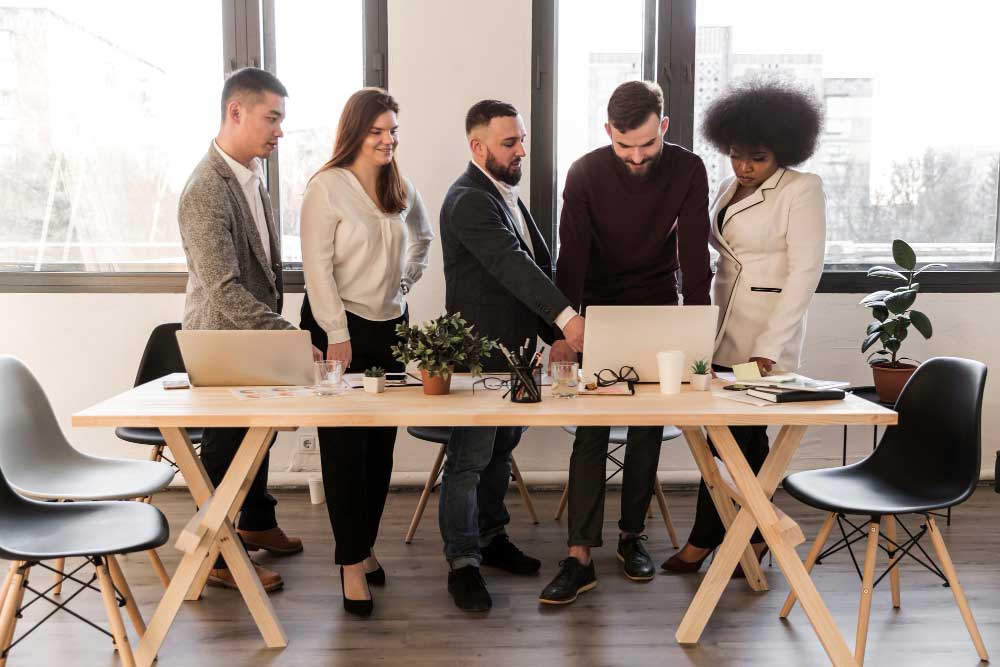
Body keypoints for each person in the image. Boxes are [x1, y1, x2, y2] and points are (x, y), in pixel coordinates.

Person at [539, 80, 713, 605]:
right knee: (591, 432)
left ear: (663, 127)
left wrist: (698, 332)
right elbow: (571, 258)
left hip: (658, 305)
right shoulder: (585, 172)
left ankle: (631, 537)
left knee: (645, 428)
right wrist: (563, 331)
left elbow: (695, 256)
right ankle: (579, 555)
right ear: (607, 132)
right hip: (597, 311)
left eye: (646, 145)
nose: (636, 157)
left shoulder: (688, 169)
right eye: (623, 146)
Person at [662, 79, 826, 574]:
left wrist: (770, 348)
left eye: (756, 157)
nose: (744, 167)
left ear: (783, 150)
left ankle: (713, 540)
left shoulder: (802, 190)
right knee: (729, 439)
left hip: (763, 341)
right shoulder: (730, 187)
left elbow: (804, 274)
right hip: (722, 330)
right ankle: (745, 539)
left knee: (740, 437)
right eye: (735, 155)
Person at [438, 100, 586, 612]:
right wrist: (568, 320)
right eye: (509, 142)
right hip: (481, 358)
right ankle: (462, 563)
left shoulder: (505, 195)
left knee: (501, 452)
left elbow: (535, 270)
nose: (521, 149)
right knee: (468, 461)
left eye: (522, 139)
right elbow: (510, 265)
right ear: (477, 147)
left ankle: (491, 538)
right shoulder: (468, 200)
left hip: (518, 356)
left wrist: (557, 335)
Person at [178, 67, 319, 593]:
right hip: (221, 341)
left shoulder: (249, 177)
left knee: (256, 429)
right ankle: (219, 554)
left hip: (248, 338)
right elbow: (223, 289)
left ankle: (257, 519)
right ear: (236, 112)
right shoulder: (206, 189)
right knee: (227, 445)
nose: (280, 131)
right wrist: (289, 335)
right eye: (272, 118)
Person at [299, 88, 433, 616]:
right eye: (377, 131)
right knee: (344, 451)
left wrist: (405, 283)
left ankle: (365, 545)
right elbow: (317, 269)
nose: (387, 140)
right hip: (338, 329)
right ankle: (350, 563)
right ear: (354, 132)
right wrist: (336, 332)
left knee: (380, 448)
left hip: (389, 328)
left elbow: (422, 238)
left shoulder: (399, 185)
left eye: (393, 131)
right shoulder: (326, 188)